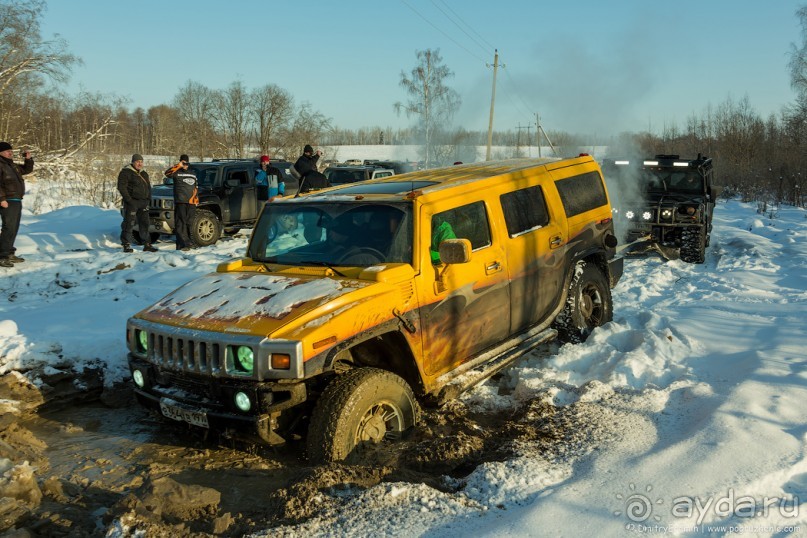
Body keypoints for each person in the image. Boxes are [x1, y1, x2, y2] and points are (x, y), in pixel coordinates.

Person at [0, 142, 33, 268]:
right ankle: (2, 256)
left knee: (13, 228)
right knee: (8, 228)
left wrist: (28, 159)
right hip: (7, 200)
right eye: (7, 151)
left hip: (16, 200)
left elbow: (26, 170)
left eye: (11, 151)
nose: (10, 153)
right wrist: (1, 199)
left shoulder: (11, 165)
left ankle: (9, 253)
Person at [117, 154, 158, 253]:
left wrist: (148, 199)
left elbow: (148, 187)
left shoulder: (144, 173)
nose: (140, 164)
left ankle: (147, 244)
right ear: (133, 162)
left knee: (145, 224)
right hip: (132, 202)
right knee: (129, 223)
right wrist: (129, 200)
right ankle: (126, 244)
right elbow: (121, 187)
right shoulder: (126, 172)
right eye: (137, 162)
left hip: (143, 202)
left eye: (141, 162)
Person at [164, 154, 198, 251]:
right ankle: (181, 245)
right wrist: (178, 165)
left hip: (191, 202)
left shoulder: (193, 173)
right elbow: (167, 173)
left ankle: (189, 243)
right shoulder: (176, 172)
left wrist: (196, 199)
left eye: (186, 163)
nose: (185, 164)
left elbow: (196, 186)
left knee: (189, 223)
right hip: (180, 201)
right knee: (180, 223)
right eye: (183, 162)